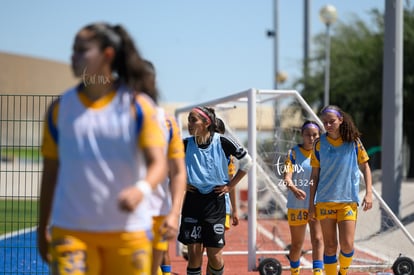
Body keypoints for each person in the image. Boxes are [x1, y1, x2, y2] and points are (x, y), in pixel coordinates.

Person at [37, 22, 168, 275]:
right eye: (72, 50)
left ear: (107, 55)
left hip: (128, 234)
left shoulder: (139, 106)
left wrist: (141, 189)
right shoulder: (59, 109)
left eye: (81, 50)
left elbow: (159, 163)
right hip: (71, 232)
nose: (72, 57)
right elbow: (50, 172)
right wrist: (43, 227)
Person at [178, 106, 252, 275]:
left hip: (215, 202)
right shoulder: (184, 144)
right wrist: (181, 183)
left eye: (193, 120)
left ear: (206, 123)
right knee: (194, 255)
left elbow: (247, 162)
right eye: (188, 119)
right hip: (193, 201)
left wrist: (231, 185)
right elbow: (166, 165)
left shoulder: (223, 142)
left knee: (215, 256)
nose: (189, 123)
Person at [308, 105, 373, 275]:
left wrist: (369, 193)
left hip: (347, 201)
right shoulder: (319, 144)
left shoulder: (353, 142)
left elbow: (365, 167)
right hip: (324, 201)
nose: (328, 125)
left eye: (332, 122)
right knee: (330, 246)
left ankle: (342, 271)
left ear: (341, 120)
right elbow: (314, 176)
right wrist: (311, 204)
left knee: (347, 245)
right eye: (325, 123)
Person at [142, 60, 187, 275]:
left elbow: (178, 172)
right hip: (120, 216)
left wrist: (173, 213)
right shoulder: (112, 117)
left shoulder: (167, 122)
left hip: (156, 214)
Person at [283, 121, 324, 275]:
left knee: (318, 240)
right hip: (297, 205)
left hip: (316, 204)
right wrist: (294, 188)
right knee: (297, 245)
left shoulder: (322, 154)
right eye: (308, 134)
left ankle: (318, 272)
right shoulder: (292, 153)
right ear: (302, 135)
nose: (311, 138)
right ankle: (294, 271)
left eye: (315, 135)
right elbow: (287, 177)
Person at [215, 117, 239, 230]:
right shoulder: (196, 151)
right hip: (201, 203)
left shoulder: (228, 157)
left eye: (217, 133)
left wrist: (234, 209)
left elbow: (231, 183)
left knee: (215, 243)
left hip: (221, 205)